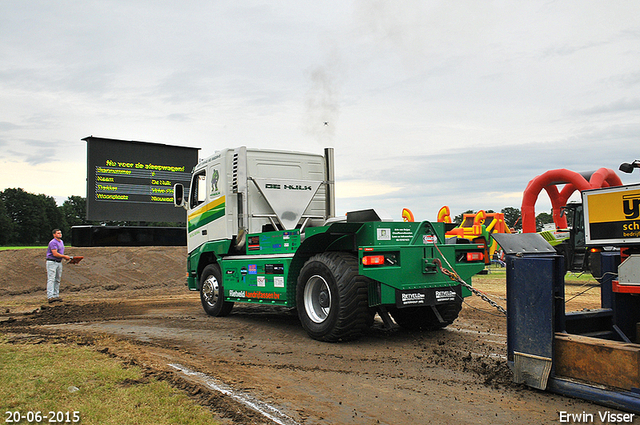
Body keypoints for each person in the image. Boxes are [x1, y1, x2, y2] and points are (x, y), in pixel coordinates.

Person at [46, 229, 70, 303]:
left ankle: (56, 295)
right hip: (52, 262)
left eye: (60, 233)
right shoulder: (53, 242)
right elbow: (55, 253)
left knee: (57, 279)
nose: (60, 234)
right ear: (54, 234)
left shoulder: (61, 242)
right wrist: (64, 256)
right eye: (58, 233)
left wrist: (63, 257)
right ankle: (50, 296)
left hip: (59, 262)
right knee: (51, 279)